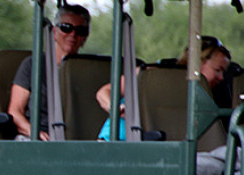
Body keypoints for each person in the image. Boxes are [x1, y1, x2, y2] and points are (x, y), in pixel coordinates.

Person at [95, 35, 232, 141]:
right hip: (117, 143)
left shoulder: (210, 96)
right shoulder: (150, 75)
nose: (221, 78)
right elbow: (104, 92)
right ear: (198, 62)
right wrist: (116, 109)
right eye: (218, 70)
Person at [8, 4, 90, 140]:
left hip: (78, 139)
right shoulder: (33, 64)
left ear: (85, 37)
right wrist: (35, 133)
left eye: (80, 30)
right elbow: (15, 112)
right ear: (54, 32)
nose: (73, 35)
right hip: (38, 138)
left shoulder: (88, 71)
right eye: (66, 28)